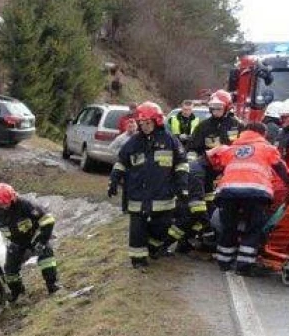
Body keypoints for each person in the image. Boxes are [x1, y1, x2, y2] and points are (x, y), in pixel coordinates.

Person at [107, 101, 189, 269]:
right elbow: (121, 162)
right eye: (141, 123)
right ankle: (138, 261)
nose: (144, 127)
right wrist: (114, 180)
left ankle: (152, 247)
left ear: (157, 121)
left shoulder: (169, 140)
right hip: (138, 194)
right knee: (137, 230)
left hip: (163, 195)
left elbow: (181, 163)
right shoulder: (134, 142)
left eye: (147, 123)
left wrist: (182, 185)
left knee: (162, 226)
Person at [208, 122, 289, 275]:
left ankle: (224, 262)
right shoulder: (267, 148)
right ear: (263, 134)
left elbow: (219, 166)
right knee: (253, 229)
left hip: (228, 192)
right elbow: (281, 169)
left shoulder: (232, 148)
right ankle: (243, 267)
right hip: (256, 192)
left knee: (229, 227)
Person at [0, 183, 60, 302]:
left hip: (34, 237)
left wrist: (42, 240)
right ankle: (18, 294)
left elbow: (48, 220)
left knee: (46, 257)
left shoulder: (24, 204)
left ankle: (53, 286)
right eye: (3, 203)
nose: (6, 205)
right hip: (15, 243)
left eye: (8, 201)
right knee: (10, 270)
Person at [189, 90, 240, 157]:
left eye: (219, 107)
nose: (215, 111)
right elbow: (193, 148)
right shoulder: (203, 126)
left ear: (227, 107)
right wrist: (204, 155)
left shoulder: (236, 125)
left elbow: (244, 146)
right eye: (213, 107)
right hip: (209, 164)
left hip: (230, 163)